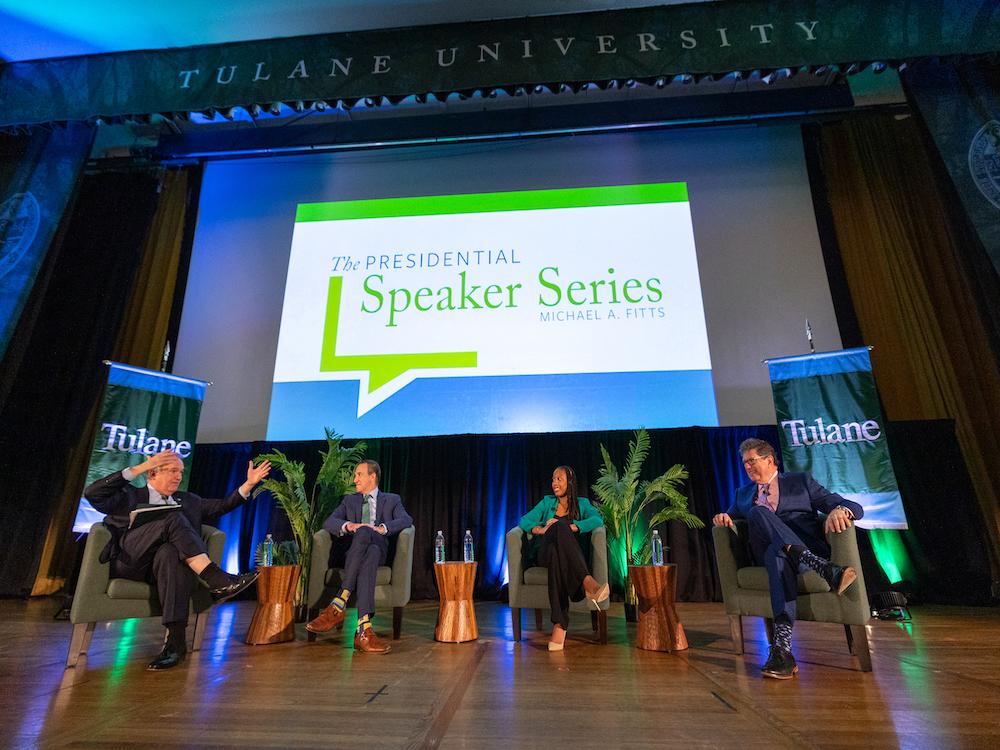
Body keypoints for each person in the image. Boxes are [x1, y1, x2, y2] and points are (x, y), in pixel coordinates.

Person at [84, 450, 270, 670]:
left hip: (164, 569)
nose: (178, 476)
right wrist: (140, 467)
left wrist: (248, 484)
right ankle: (216, 579)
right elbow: (92, 493)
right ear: (152, 473)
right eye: (172, 471)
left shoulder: (188, 500)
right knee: (172, 517)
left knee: (170, 554)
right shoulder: (130, 496)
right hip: (131, 561)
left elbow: (222, 506)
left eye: (180, 472)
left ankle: (175, 645)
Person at [712, 437, 862, 680]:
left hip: (782, 554)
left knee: (778, 555)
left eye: (752, 461)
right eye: (745, 464)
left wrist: (841, 510)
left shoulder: (800, 482)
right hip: (767, 552)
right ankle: (822, 567)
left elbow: (851, 505)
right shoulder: (743, 494)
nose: (747, 467)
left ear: (769, 459)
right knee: (758, 512)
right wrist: (722, 518)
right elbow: (729, 518)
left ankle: (782, 650)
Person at [305, 460, 412, 654]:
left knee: (369, 539)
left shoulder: (392, 499)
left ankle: (339, 602)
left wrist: (382, 528)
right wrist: (349, 526)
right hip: (357, 552)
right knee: (367, 546)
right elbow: (330, 521)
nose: (355, 479)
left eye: (359, 475)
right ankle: (364, 630)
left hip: (380, 545)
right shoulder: (350, 501)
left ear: (373, 476)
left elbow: (406, 520)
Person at [518, 465, 610, 651]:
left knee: (557, 553)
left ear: (570, 482)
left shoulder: (582, 504)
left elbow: (597, 520)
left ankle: (559, 625)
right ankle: (587, 582)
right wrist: (541, 529)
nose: (554, 483)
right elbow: (524, 521)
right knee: (557, 528)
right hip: (542, 553)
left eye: (559, 479)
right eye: (553, 479)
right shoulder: (546, 503)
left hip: (563, 559)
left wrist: (574, 527)